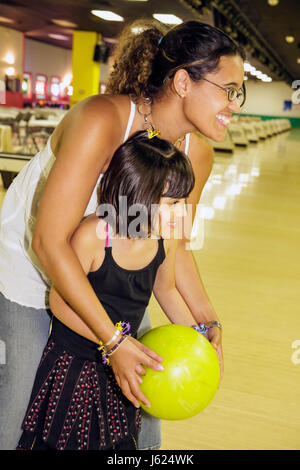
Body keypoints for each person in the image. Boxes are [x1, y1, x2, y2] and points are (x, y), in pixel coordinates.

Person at [0, 19, 245, 450]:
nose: (235, 104)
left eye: (237, 93)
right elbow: (47, 242)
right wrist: (114, 341)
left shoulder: (196, 153)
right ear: (184, 82)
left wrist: (206, 322)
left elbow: (175, 246)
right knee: (20, 411)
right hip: (31, 272)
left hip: (108, 276)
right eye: (229, 89)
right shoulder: (102, 120)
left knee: (143, 409)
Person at [16, 129, 206, 450]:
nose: (182, 211)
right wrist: (114, 343)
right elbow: (60, 303)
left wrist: (196, 335)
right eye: (173, 202)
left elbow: (168, 289)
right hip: (75, 366)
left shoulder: (164, 238)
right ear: (139, 197)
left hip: (124, 363)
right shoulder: (95, 236)